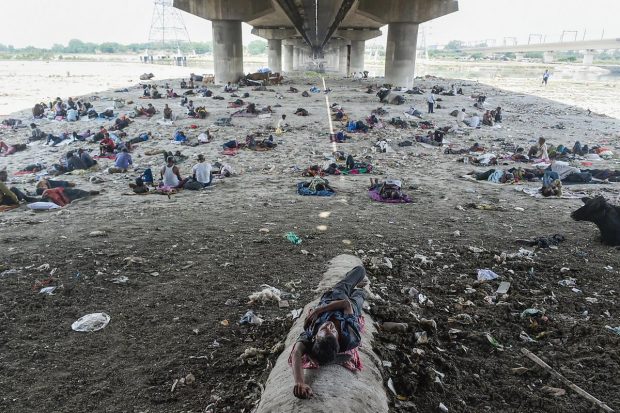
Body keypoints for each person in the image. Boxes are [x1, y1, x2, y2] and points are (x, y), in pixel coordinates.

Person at [290, 265, 368, 399]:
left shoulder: (311, 335)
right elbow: (346, 305)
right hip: (348, 307)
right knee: (361, 294)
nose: (329, 325)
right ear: (338, 339)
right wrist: (318, 312)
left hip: (334, 298)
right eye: (332, 331)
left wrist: (299, 382)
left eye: (324, 329)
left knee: (360, 270)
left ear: (315, 338)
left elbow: (296, 352)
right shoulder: (350, 338)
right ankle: (355, 287)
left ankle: (351, 283)